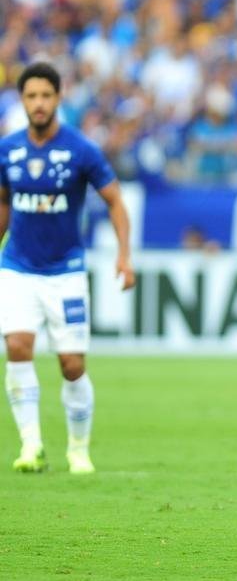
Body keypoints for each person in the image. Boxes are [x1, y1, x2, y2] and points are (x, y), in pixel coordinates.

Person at [0, 62, 136, 474]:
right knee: (17, 346)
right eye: (31, 96)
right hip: (17, 266)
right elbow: (3, 204)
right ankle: (31, 446)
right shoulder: (8, 149)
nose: (39, 103)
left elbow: (115, 202)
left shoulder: (81, 150)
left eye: (46, 95)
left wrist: (124, 255)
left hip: (66, 271)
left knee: (72, 365)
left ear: (58, 98)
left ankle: (78, 448)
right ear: (22, 101)